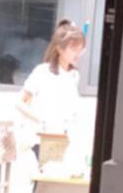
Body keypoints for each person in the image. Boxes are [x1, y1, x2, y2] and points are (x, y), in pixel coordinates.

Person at [15, 20, 86, 160]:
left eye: (80, 49)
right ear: (60, 49)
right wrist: (40, 119)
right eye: (73, 49)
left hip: (62, 137)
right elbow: (19, 102)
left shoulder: (74, 76)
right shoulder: (42, 72)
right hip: (41, 138)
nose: (77, 54)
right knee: (47, 171)